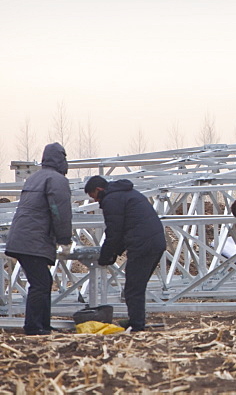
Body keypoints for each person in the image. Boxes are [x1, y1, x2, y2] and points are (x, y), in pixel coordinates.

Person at [4, 143, 73, 335]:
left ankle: (42, 324)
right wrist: (65, 239)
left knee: (42, 281)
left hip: (21, 237)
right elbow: (60, 212)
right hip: (33, 240)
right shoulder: (57, 180)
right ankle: (34, 327)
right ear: (61, 159)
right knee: (41, 283)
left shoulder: (34, 178)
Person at [84, 176, 167, 331]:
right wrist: (112, 254)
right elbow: (123, 230)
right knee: (137, 285)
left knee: (133, 287)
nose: (95, 201)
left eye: (93, 196)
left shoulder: (111, 200)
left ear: (98, 190)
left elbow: (114, 232)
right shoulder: (125, 194)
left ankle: (137, 325)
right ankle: (136, 320)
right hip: (154, 242)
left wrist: (105, 256)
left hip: (143, 244)